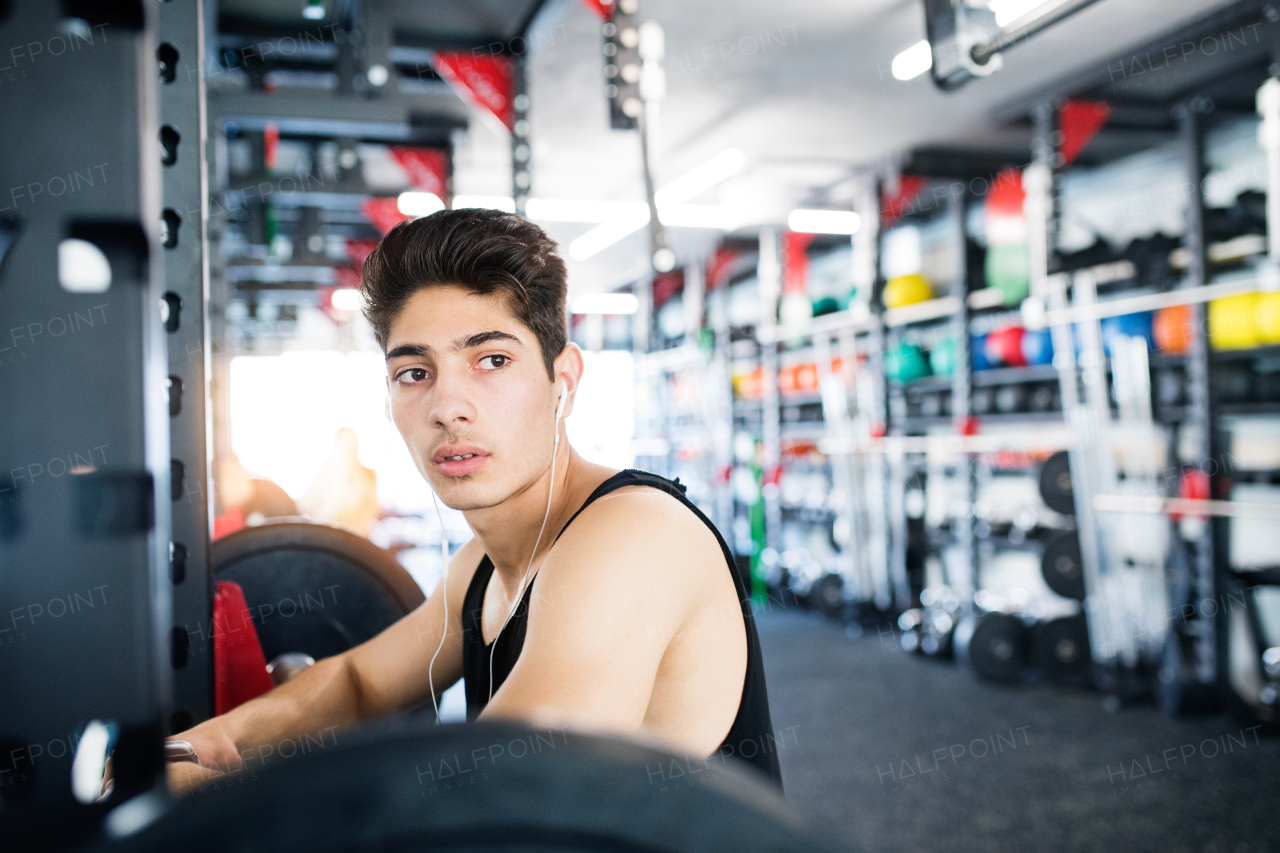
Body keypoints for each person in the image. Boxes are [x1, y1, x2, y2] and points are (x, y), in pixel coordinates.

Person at [167, 208, 781, 793]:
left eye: (492, 360)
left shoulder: (636, 537)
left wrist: (226, 792)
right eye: (415, 372)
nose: (447, 408)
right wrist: (197, 748)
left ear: (562, 381)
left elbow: (495, 786)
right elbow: (355, 685)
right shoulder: (480, 571)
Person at [298, 427, 381, 538]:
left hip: (359, 533)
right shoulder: (328, 473)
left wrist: (354, 468)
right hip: (332, 533)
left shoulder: (369, 473)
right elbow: (309, 503)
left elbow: (374, 505)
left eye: (351, 444)